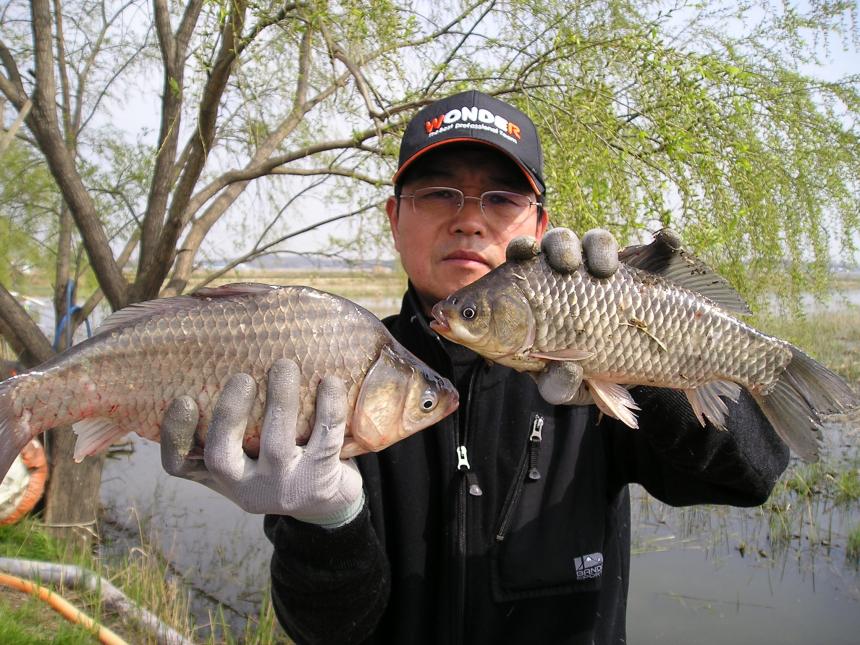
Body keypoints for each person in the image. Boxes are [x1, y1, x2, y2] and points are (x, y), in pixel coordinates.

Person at [160, 91, 790, 644]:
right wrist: (326, 523)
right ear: (394, 220)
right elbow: (325, 632)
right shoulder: (335, 372)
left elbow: (752, 476)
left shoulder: (594, 359)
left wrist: (644, 353)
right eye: (439, 193)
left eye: (502, 197)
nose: (468, 219)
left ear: (539, 224)